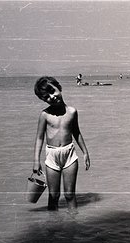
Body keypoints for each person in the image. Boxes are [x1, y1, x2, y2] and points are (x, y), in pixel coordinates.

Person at [33, 76, 90, 212]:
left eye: (53, 91)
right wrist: (36, 161)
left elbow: (76, 133)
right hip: (52, 156)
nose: (51, 97)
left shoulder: (72, 112)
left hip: (69, 154)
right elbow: (39, 138)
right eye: (46, 97)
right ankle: (53, 227)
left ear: (60, 88)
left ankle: (73, 224)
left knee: (70, 194)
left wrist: (85, 152)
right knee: (53, 195)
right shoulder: (45, 115)